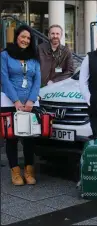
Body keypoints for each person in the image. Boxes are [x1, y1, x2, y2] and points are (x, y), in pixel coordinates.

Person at [1, 25, 41, 185]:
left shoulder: (34, 57)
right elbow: (4, 79)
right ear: (17, 37)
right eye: (22, 36)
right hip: (10, 102)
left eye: (28, 38)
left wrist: (31, 100)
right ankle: (15, 172)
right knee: (11, 138)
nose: (25, 40)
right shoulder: (5, 55)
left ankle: (29, 171)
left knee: (30, 138)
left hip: (31, 103)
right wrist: (16, 101)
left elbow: (37, 80)